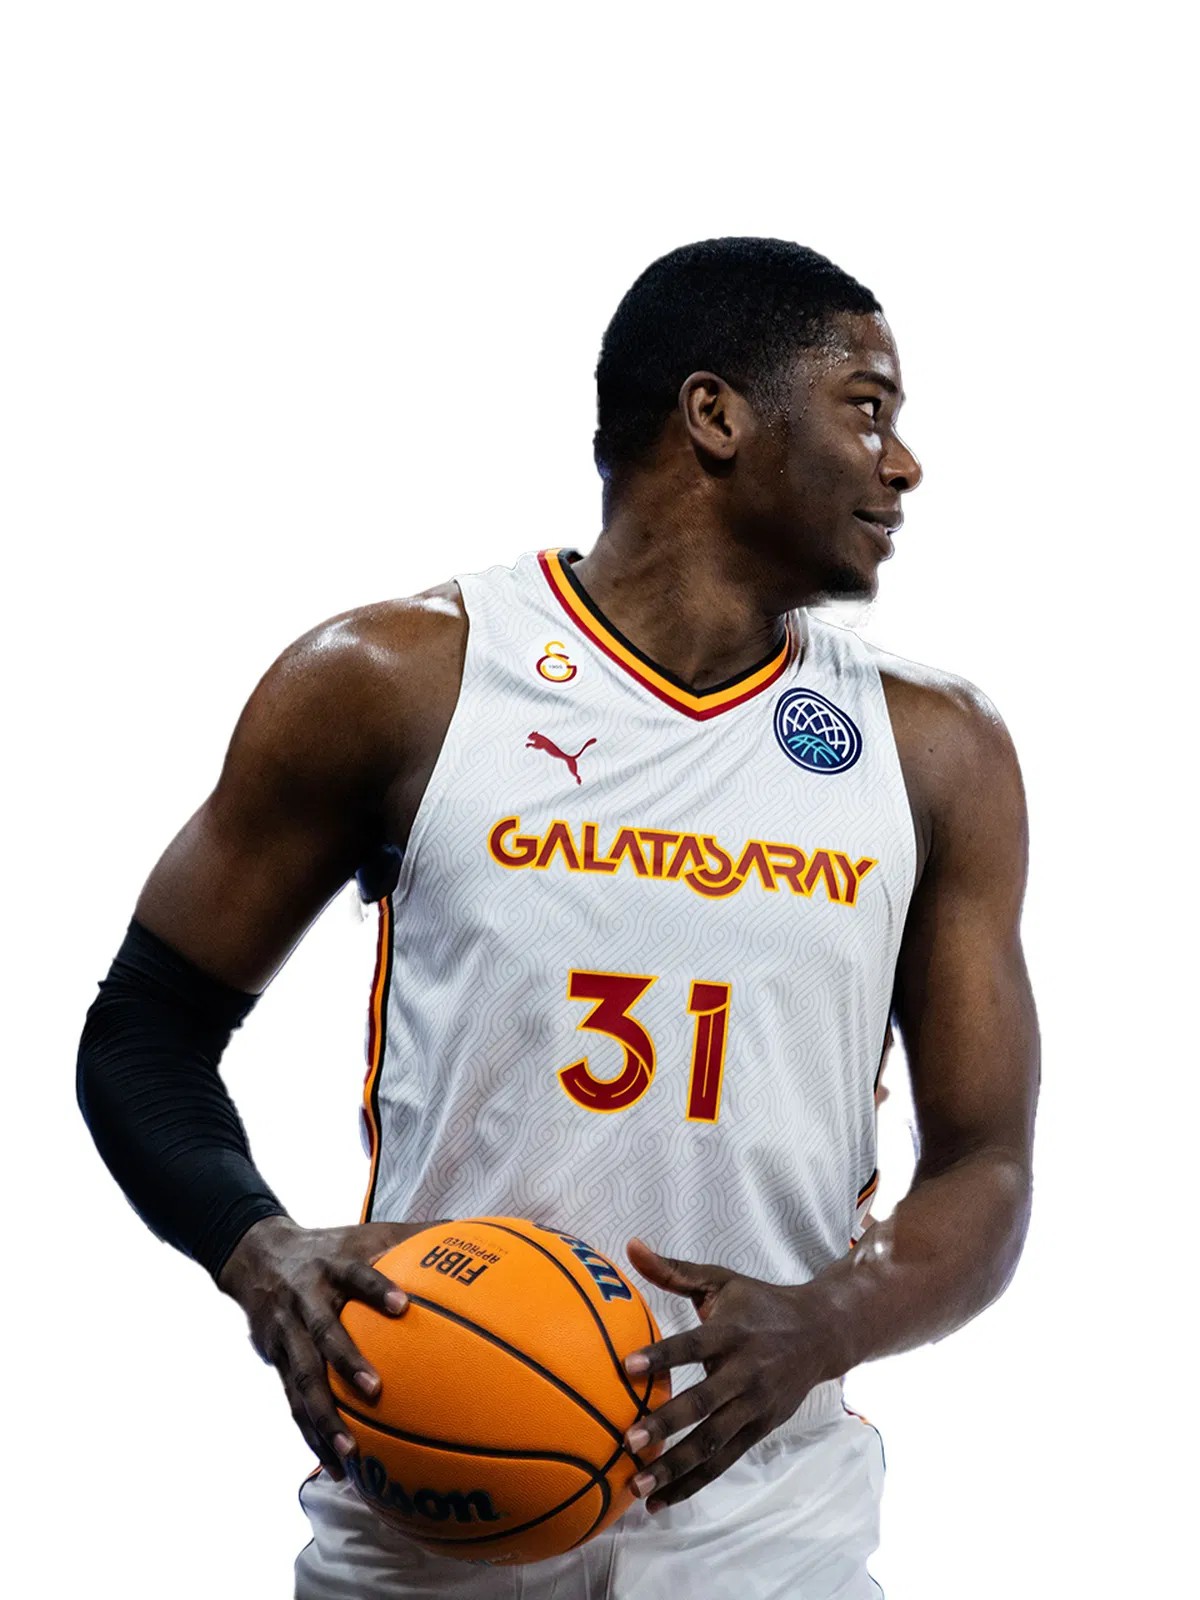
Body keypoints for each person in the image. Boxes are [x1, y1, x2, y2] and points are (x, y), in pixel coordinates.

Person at [77, 236, 1040, 1598]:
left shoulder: (935, 752)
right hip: (430, 1484)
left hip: (766, 1525)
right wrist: (258, 1246)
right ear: (716, 416)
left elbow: (988, 1166)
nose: (906, 464)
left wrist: (830, 1319)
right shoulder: (400, 679)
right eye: (867, 408)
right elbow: (142, 1033)